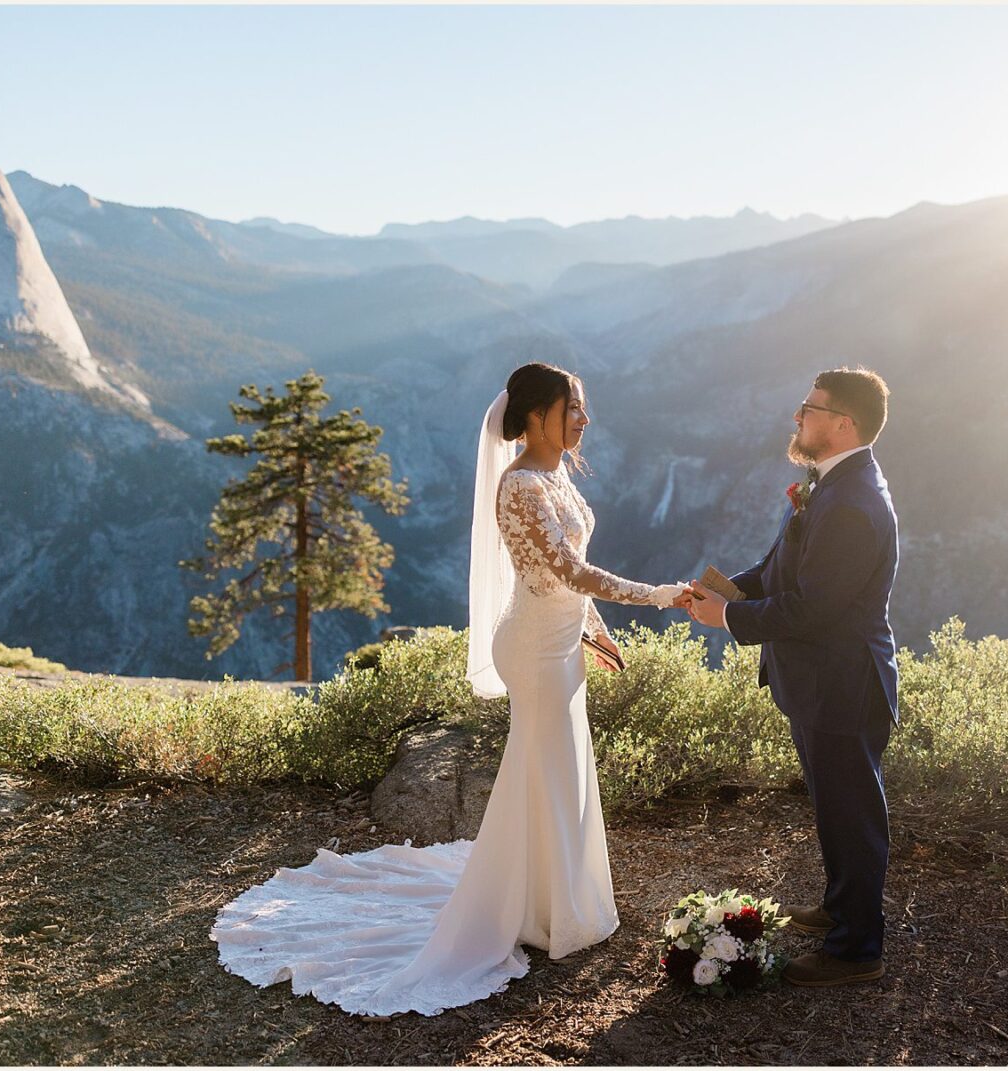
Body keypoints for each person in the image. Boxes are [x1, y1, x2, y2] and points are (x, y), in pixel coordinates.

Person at [212, 362, 685, 1017]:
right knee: (545, 768)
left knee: (559, 769)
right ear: (532, 416)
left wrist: (594, 632)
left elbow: (564, 577)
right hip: (533, 647)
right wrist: (658, 595)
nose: (584, 418)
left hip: (560, 640)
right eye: (571, 407)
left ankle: (551, 903)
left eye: (582, 406)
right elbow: (568, 567)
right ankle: (536, 910)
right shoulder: (520, 485)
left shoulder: (556, 476)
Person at [679, 366, 899, 987]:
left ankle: (857, 951)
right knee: (834, 807)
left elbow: (814, 608)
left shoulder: (854, 503)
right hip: (819, 683)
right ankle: (837, 909)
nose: (797, 415)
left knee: (854, 816)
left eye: (810, 407)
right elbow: (783, 569)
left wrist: (729, 617)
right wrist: (728, 590)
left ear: (843, 424)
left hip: (845, 685)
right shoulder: (828, 482)